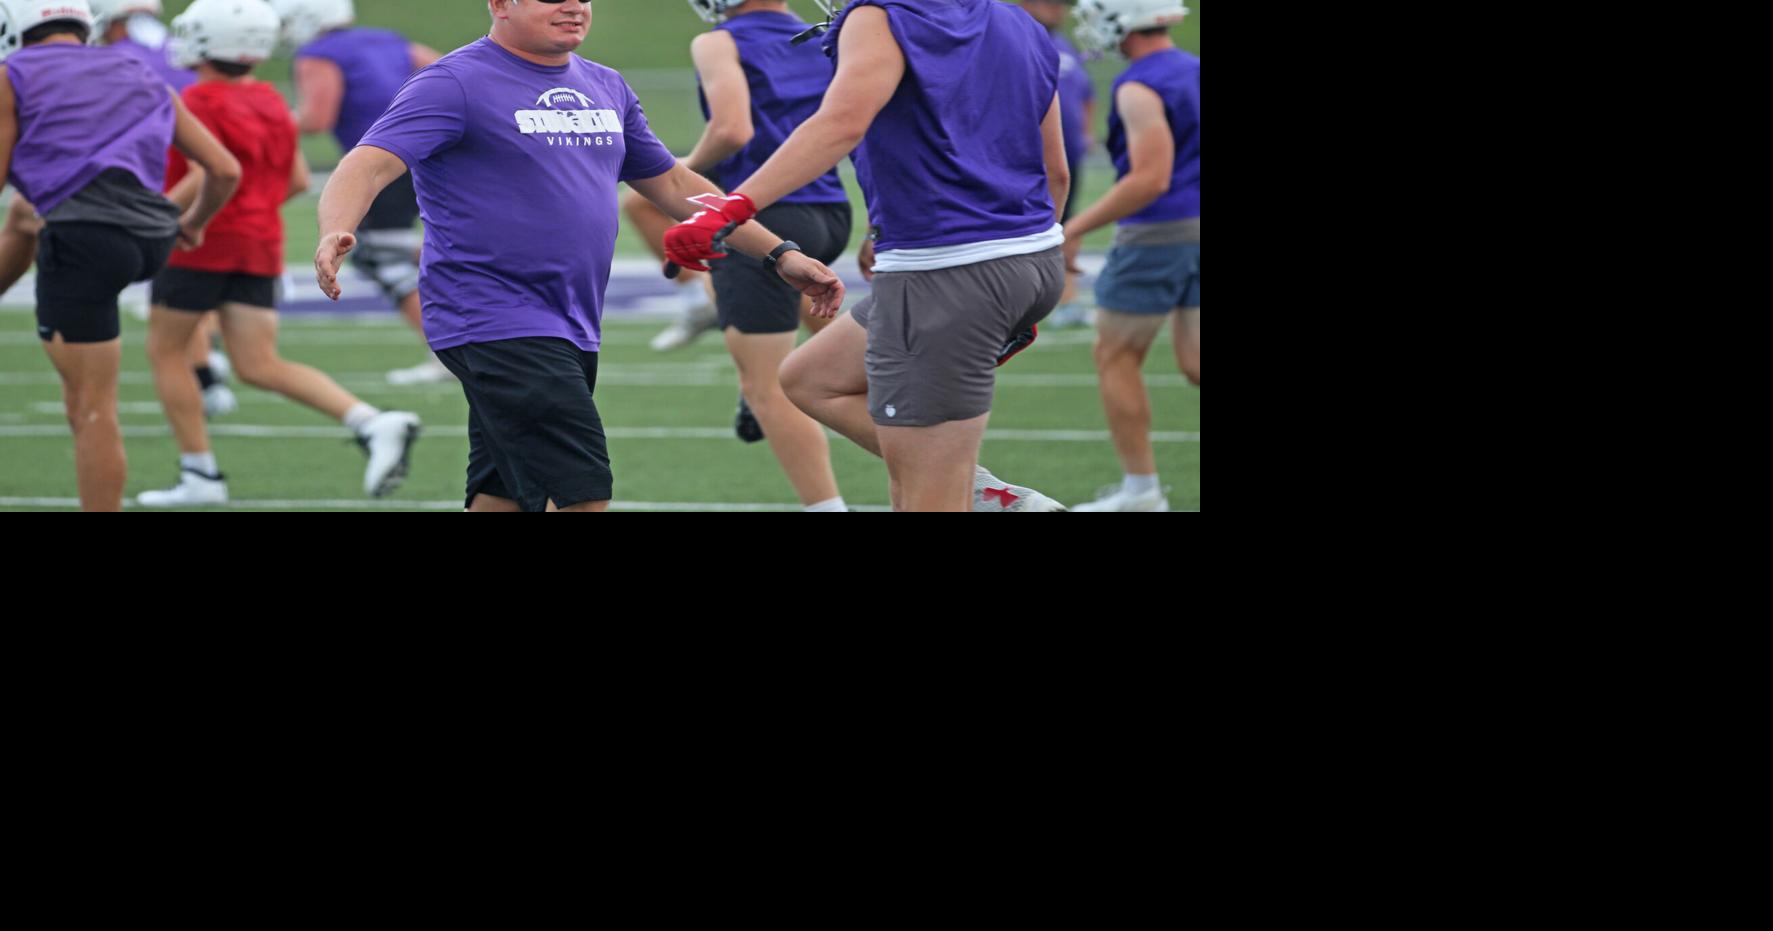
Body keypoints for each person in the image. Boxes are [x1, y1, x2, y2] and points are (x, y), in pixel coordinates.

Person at [314, 0, 844, 513]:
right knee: (582, 491)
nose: (573, 7)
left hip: (570, 317)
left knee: (498, 493)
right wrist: (335, 227)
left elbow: (675, 183)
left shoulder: (605, 84)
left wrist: (777, 253)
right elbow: (369, 163)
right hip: (491, 315)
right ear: (501, 3)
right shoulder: (454, 81)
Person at [666, 0, 1073, 512]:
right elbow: (1055, 170)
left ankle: (966, 485)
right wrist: (1013, 279)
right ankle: (982, 490)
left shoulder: (881, 16)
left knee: (925, 495)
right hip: (1028, 258)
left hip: (945, 271)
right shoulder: (1018, 20)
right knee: (810, 377)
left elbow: (839, 124)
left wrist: (732, 208)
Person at [137, 0, 422, 507]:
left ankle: (199, 472)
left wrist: (175, 220)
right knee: (258, 363)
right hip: (259, 243)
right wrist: (248, 211)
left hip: (201, 242)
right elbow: (292, 180)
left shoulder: (197, 100)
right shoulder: (270, 98)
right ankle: (371, 420)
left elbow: (207, 174)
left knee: (166, 351)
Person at [0, 0, 241, 511]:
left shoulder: (12, 72)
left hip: (87, 240)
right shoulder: (136, 68)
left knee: (90, 409)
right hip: (150, 238)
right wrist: (191, 225)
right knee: (25, 215)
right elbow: (224, 170)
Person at [681, 0, 853, 511]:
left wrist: (680, 171)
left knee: (768, 388)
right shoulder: (833, 33)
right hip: (833, 212)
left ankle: (828, 507)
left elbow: (733, 129)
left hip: (762, 218)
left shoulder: (718, 40)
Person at [1064, 0, 1197, 512]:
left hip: (1160, 233)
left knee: (1114, 355)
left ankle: (1141, 492)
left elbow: (1151, 178)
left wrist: (1072, 228)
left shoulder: (1140, 84)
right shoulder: (1194, 68)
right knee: (1196, 362)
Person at [274, 0, 448, 385]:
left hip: (383, 162)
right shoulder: (388, 40)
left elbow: (318, 118)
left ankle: (445, 350)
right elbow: (448, 75)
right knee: (398, 248)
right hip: (430, 154)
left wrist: (266, 122)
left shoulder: (318, 54)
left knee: (378, 255)